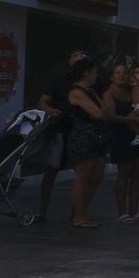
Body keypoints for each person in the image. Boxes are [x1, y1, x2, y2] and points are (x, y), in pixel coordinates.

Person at [30, 49, 90, 225]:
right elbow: (42, 101)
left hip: (81, 130)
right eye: (76, 59)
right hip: (61, 129)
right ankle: (42, 210)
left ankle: (77, 212)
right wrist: (52, 111)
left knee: (82, 173)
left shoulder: (90, 83)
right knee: (51, 169)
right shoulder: (59, 80)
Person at [103, 62, 139, 223]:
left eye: (124, 73)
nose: (122, 76)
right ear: (112, 76)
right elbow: (110, 116)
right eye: (118, 73)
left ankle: (134, 210)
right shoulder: (109, 94)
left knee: (138, 173)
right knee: (124, 174)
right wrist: (129, 119)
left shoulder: (134, 90)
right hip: (122, 136)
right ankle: (122, 212)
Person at [63, 57, 108, 228]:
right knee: (83, 176)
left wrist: (99, 112)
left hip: (98, 136)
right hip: (84, 136)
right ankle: (79, 215)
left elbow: (103, 111)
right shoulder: (76, 92)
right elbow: (98, 113)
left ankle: (82, 209)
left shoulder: (91, 91)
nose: (96, 76)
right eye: (94, 72)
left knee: (96, 176)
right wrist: (97, 113)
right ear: (85, 73)